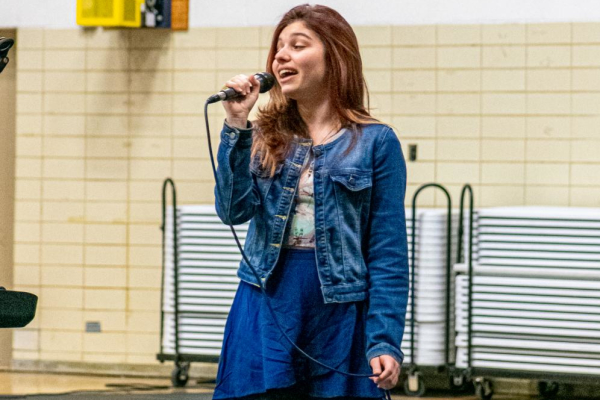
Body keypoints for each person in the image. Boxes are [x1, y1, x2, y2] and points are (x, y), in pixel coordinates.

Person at [212, 4, 409, 399]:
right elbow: (232, 210)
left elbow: (387, 252)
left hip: (337, 310)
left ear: (334, 56)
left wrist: (384, 339)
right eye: (278, 47)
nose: (281, 55)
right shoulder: (263, 134)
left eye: (297, 45)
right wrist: (236, 126)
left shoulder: (375, 143)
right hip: (267, 300)